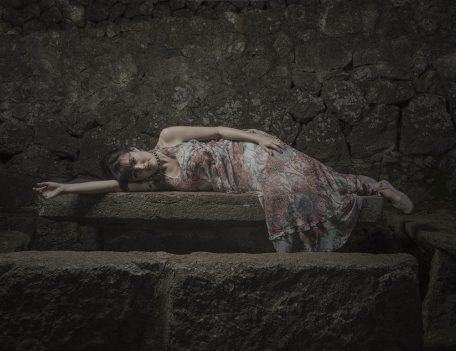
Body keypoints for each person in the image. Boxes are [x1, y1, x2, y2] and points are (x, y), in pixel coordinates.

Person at [33, 126, 414, 253]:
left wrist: (257, 137)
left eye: (135, 159)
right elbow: (112, 187)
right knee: (297, 190)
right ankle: (376, 187)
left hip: (245, 153)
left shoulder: (168, 137)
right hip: (242, 182)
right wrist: (66, 187)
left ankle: (376, 188)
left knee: (298, 181)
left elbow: (216, 130)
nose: (140, 166)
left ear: (136, 148)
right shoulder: (159, 183)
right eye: (134, 172)